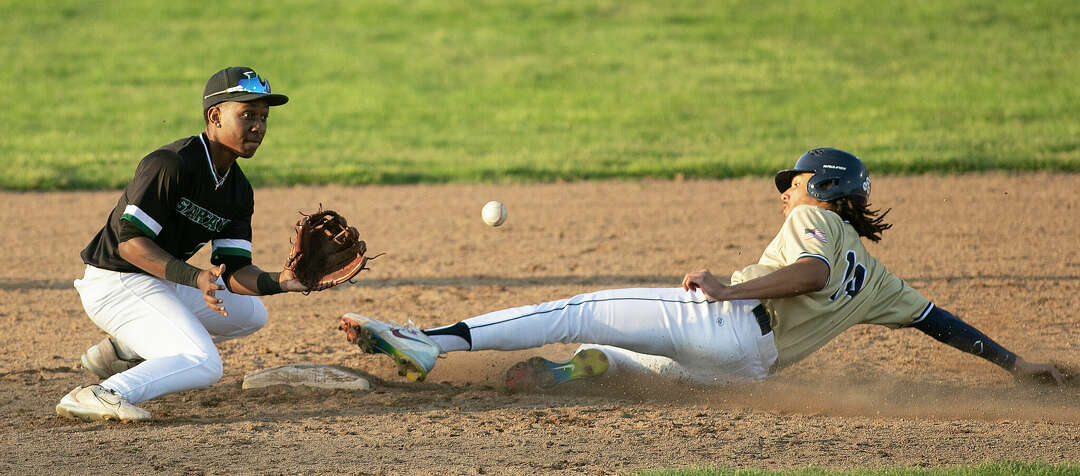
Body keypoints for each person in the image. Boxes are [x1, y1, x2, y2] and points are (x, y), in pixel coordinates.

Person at [340, 148, 1067, 390]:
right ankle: (574, 373)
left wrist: (732, 286)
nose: (786, 191)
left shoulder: (814, 221)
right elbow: (938, 321)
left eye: (795, 180)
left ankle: (429, 341)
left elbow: (809, 274)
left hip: (730, 324)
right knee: (629, 356)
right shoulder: (877, 279)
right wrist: (1013, 364)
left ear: (822, 190)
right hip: (748, 373)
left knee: (578, 306)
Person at [57, 67, 309, 422]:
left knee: (250, 313)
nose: (258, 126)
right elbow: (130, 244)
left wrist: (281, 281)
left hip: (160, 280)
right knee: (204, 363)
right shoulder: (171, 164)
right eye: (247, 114)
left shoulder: (238, 190)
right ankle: (105, 392)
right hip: (116, 282)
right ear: (215, 116)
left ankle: (126, 349)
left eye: (264, 117)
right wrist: (194, 277)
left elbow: (235, 270)